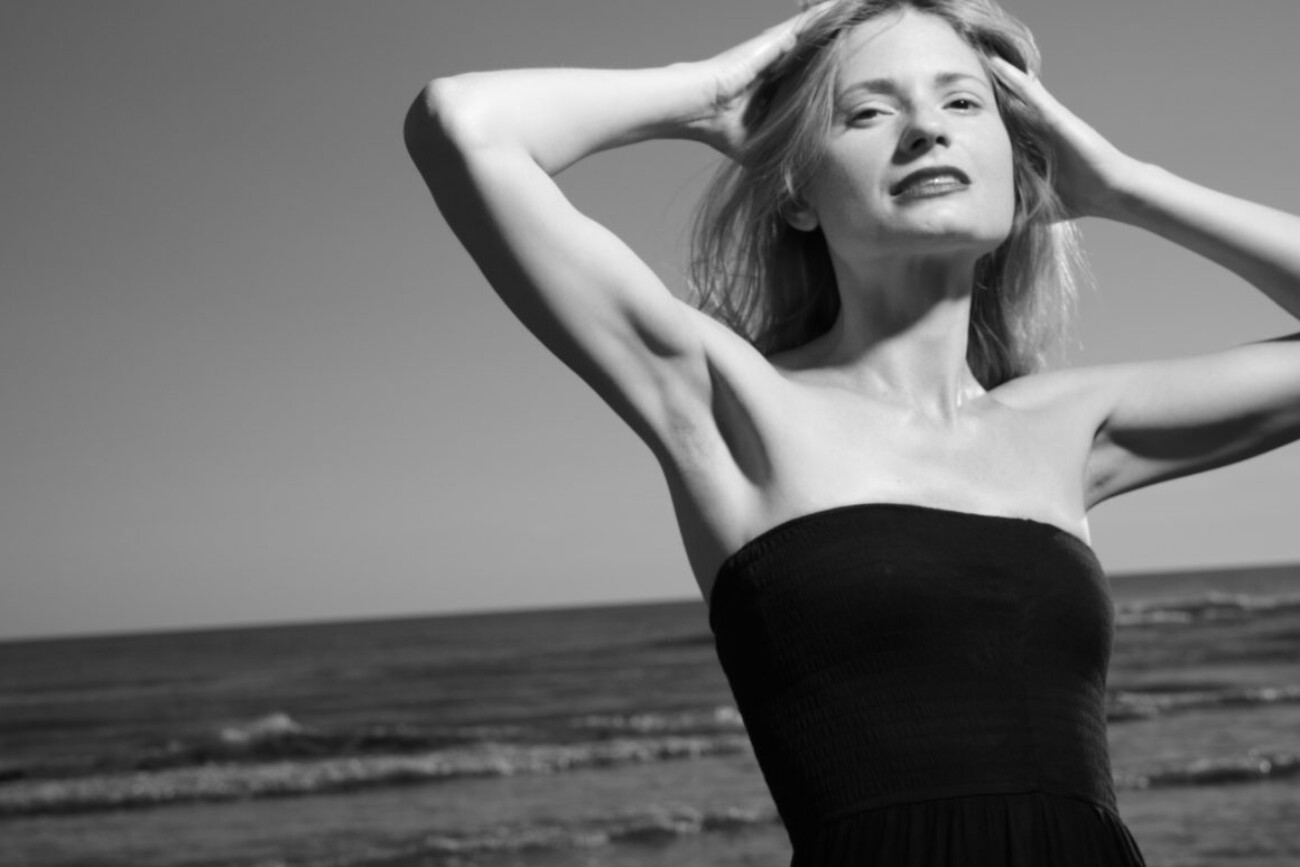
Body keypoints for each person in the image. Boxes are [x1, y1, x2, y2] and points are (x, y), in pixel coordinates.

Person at [403, 0, 1300, 862]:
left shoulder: (1068, 428)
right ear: (795, 192)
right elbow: (463, 125)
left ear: (1023, 168)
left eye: (962, 102)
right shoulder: (731, 404)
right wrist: (706, 95)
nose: (926, 129)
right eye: (868, 111)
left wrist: (1122, 184)